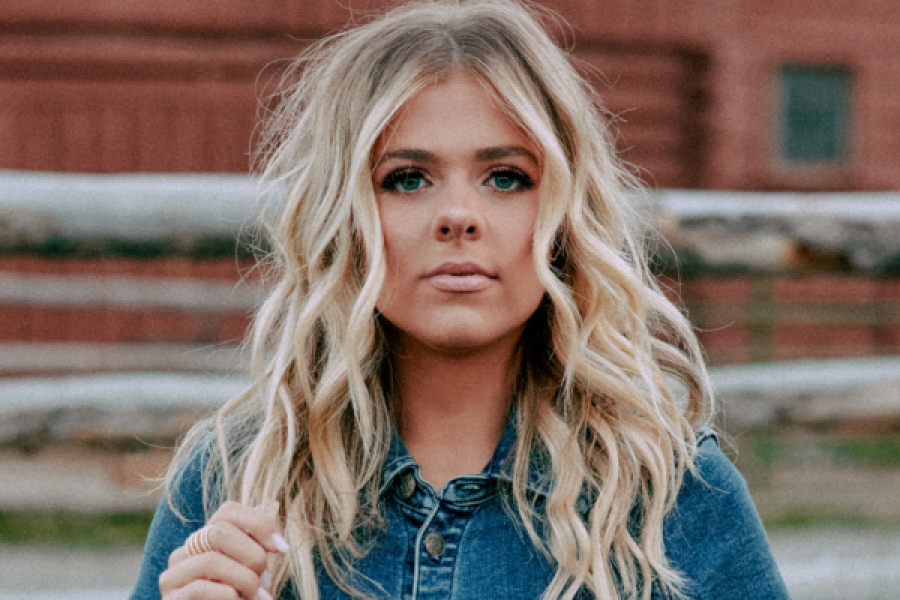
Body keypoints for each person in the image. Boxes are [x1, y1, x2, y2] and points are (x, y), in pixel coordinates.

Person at [130, 1, 790, 599]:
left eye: (505, 178)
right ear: (344, 218)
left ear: (561, 217)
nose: (457, 216)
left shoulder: (675, 495)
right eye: (407, 179)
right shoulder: (234, 480)